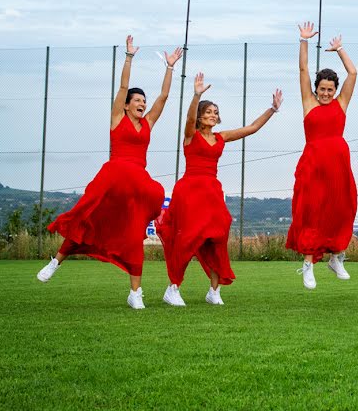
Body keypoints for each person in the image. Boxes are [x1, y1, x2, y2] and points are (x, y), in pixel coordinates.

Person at [37, 35, 183, 310]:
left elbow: (164, 97)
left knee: (133, 235)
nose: (142, 103)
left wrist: (170, 67)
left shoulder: (148, 123)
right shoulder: (117, 118)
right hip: (112, 180)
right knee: (86, 219)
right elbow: (123, 85)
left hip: (135, 186)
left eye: (143, 100)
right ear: (126, 105)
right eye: (137, 100)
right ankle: (55, 261)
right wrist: (129, 57)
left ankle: (135, 293)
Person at [157, 72, 282, 307]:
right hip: (189, 191)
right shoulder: (190, 136)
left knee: (218, 237)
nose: (213, 115)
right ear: (200, 117)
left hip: (212, 192)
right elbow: (188, 118)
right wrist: (196, 96)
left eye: (215, 112)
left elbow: (252, 128)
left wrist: (272, 110)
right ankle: (173, 288)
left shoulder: (221, 137)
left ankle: (214, 291)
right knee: (187, 239)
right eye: (208, 112)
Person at [286, 22, 358, 289]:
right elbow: (303, 70)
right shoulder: (308, 102)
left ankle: (336, 257)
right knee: (312, 212)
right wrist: (303, 41)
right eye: (322, 89)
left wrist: (339, 49)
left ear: (335, 90)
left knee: (343, 208)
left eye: (330, 89)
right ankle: (308, 264)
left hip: (339, 165)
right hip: (313, 165)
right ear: (316, 89)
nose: (326, 93)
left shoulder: (341, 103)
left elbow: (353, 72)